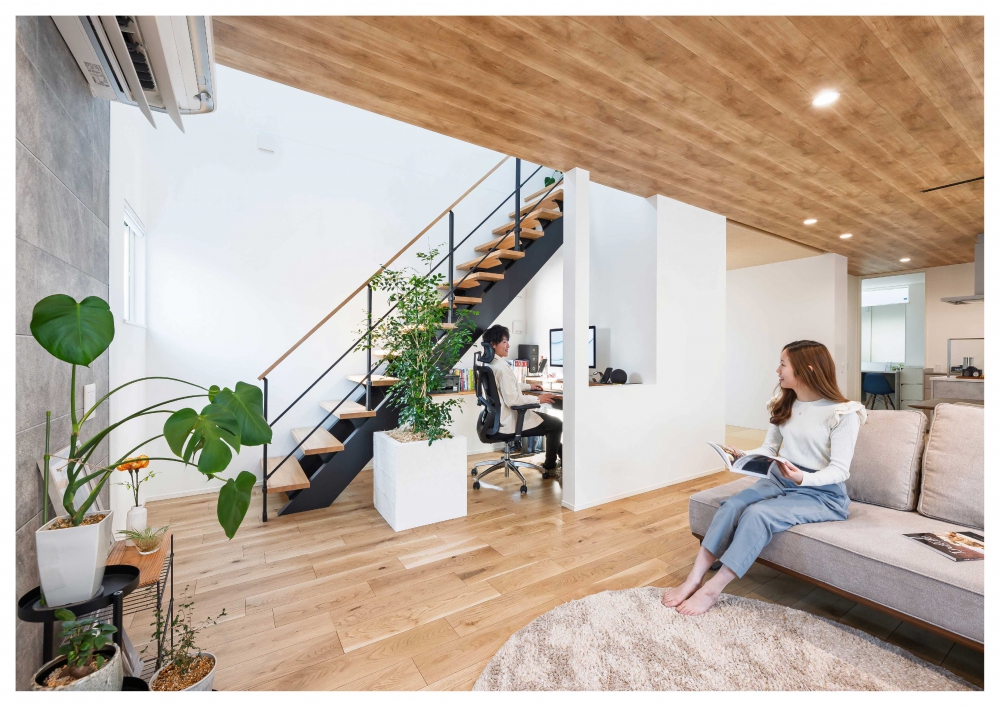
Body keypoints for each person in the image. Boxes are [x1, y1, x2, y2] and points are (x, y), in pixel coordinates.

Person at [662, 340, 866, 615]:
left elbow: (840, 470)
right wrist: (740, 455)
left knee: (757, 514)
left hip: (821, 494)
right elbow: (769, 449)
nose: (777, 370)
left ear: (806, 370)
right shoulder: (785, 403)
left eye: (783, 364)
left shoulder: (843, 412)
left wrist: (802, 478)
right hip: (779, 480)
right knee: (733, 505)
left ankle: (712, 590)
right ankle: (693, 579)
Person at [481, 324, 562, 472]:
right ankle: (551, 466)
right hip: (509, 420)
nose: (508, 345)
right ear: (493, 344)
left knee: (551, 423)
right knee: (556, 424)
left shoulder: (491, 364)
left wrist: (529, 386)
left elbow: (506, 386)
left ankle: (564, 459)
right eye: (504, 342)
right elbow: (513, 400)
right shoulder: (502, 368)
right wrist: (539, 399)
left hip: (495, 419)